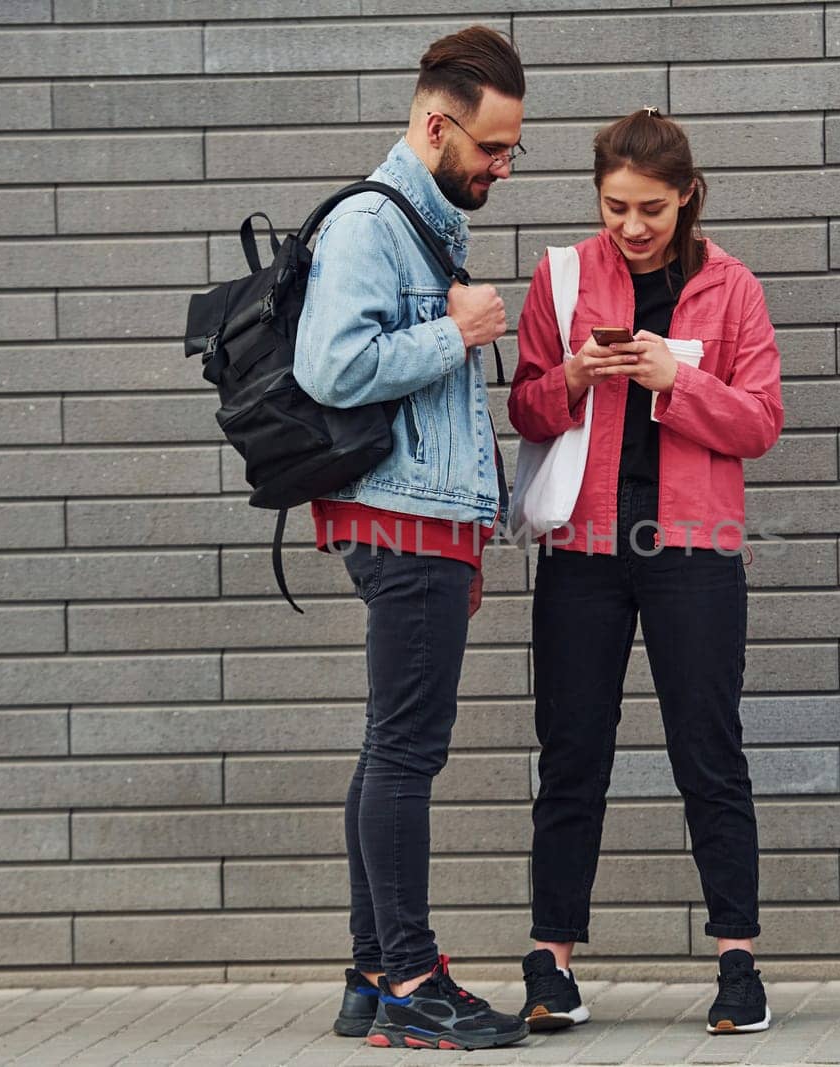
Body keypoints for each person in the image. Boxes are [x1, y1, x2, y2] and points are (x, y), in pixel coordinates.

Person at [507, 108, 784, 1036]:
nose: (632, 226)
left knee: (709, 752)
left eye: (652, 209)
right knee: (572, 753)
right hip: (582, 553)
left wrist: (677, 379)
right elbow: (527, 408)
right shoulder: (562, 278)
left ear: (687, 198)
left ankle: (738, 965)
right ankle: (552, 966)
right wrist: (577, 376)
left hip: (694, 550)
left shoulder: (731, 287)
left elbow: (761, 422)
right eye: (616, 206)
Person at [294, 25, 529, 1052]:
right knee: (406, 751)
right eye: (490, 147)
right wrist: (459, 331)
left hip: (421, 523)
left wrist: (470, 532)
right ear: (436, 124)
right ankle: (411, 974)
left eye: (512, 148)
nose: (503, 166)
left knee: (386, 746)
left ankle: (366, 971)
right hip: (400, 521)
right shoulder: (369, 226)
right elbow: (332, 368)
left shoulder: (421, 226)